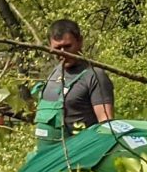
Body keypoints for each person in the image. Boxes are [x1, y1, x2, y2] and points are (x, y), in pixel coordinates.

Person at [34, 18, 115, 146]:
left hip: (78, 155)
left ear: (80, 42)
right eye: (57, 48)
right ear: (49, 46)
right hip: (45, 156)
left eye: (67, 46)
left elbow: (107, 125)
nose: (63, 53)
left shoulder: (94, 76)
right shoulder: (53, 74)